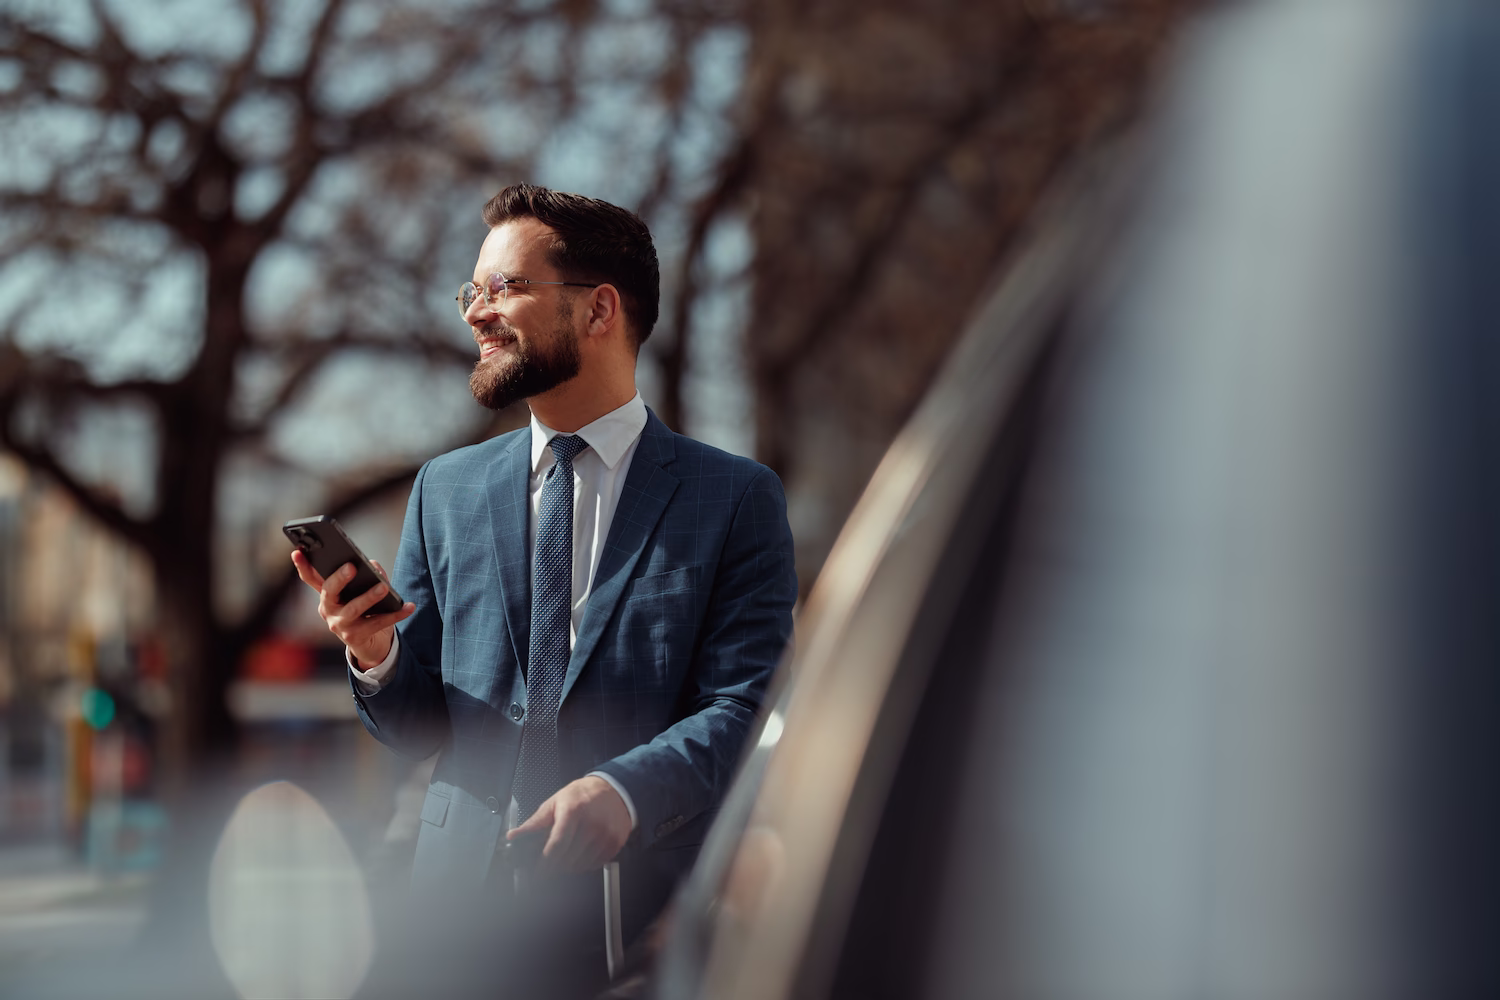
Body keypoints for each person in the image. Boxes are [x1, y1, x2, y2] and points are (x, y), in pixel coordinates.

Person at [291, 184, 796, 990]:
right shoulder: (444, 489)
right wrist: (376, 652)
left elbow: (746, 708)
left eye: (504, 288)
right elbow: (421, 727)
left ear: (599, 311)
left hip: (637, 933)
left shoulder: (734, 499)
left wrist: (625, 790)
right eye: (471, 291)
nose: (474, 313)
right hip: (455, 932)